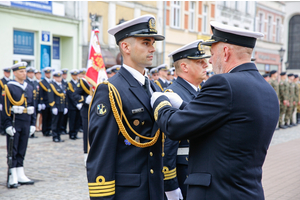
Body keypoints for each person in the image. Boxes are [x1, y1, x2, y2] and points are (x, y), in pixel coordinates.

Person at [150, 21, 279, 200]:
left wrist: (160, 102)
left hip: (216, 193)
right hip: (248, 191)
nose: (210, 61)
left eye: (211, 54)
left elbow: (175, 127)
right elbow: (225, 126)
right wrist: (183, 106)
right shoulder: (268, 90)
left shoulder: (224, 84)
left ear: (225, 52)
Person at [87, 14, 165, 200]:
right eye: (146, 43)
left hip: (153, 188)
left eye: (152, 43)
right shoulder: (110, 90)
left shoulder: (154, 87)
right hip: (128, 193)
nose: (153, 48)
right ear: (126, 47)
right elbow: (101, 154)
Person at [163, 40, 210, 200]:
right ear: (184, 67)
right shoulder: (173, 94)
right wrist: (170, 184)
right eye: (200, 62)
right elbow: (168, 143)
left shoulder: (201, 91)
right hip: (184, 171)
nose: (206, 65)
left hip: (199, 169)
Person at [4, 62, 36, 188]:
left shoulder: (29, 86)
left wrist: (33, 123)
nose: (24, 74)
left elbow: (33, 105)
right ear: (15, 73)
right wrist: (7, 124)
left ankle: (20, 172)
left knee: (22, 148)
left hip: (26, 121)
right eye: (21, 72)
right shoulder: (9, 87)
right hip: (15, 121)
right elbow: (5, 107)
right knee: (13, 149)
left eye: (25, 71)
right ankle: (12, 175)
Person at [73, 68, 91, 165]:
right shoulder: (83, 82)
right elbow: (75, 95)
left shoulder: (101, 79)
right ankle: (86, 154)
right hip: (87, 111)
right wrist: (84, 99)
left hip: (99, 110)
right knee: (87, 133)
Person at [48, 70, 68, 142]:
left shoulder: (62, 85)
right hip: (56, 107)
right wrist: (53, 107)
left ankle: (59, 136)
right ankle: (55, 136)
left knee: (60, 123)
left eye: (60, 77)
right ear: (54, 77)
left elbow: (65, 97)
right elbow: (50, 97)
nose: (59, 78)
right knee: (55, 123)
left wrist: (65, 106)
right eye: (57, 77)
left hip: (62, 107)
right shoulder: (52, 85)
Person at [66, 69, 81, 140]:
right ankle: (71, 134)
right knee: (72, 121)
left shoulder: (79, 83)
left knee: (78, 120)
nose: (75, 76)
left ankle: (75, 133)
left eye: (76, 75)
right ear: (72, 76)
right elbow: (71, 95)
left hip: (79, 105)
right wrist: (76, 104)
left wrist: (80, 103)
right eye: (74, 75)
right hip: (72, 106)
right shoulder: (69, 84)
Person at [39, 67, 53, 136]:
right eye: (47, 73)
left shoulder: (52, 82)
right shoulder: (42, 82)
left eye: (49, 73)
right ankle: (45, 131)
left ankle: (49, 129)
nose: (48, 74)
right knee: (45, 118)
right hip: (45, 102)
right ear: (45, 74)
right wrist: (41, 103)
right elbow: (40, 93)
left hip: (51, 103)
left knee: (50, 118)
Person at [25, 67, 38, 138]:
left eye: (32, 73)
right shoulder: (26, 82)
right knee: (28, 118)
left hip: (34, 102)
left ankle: (32, 133)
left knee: (34, 117)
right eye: (29, 73)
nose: (31, 74)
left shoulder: (35, 82)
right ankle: (28, 133)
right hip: (28, 103)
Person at [0, 67, 11, 135]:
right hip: (2, 101)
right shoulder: (1, 81)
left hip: (9, 101)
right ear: (4, 73)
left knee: (8, 115)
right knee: (2, 116)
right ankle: (2, 129)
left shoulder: (11, 81)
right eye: (7, 72)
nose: (8, 74)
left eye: (9, 72)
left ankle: (7, 128)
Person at [61, 68, 69, 135]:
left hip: (65, 103)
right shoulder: (61, 83)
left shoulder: (67, 83)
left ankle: (64, 129)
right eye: (63, 74)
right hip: (60, 103)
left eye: (65, 74)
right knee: (61, 118)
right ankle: (61, 129)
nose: (65, 75)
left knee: (65, 118)